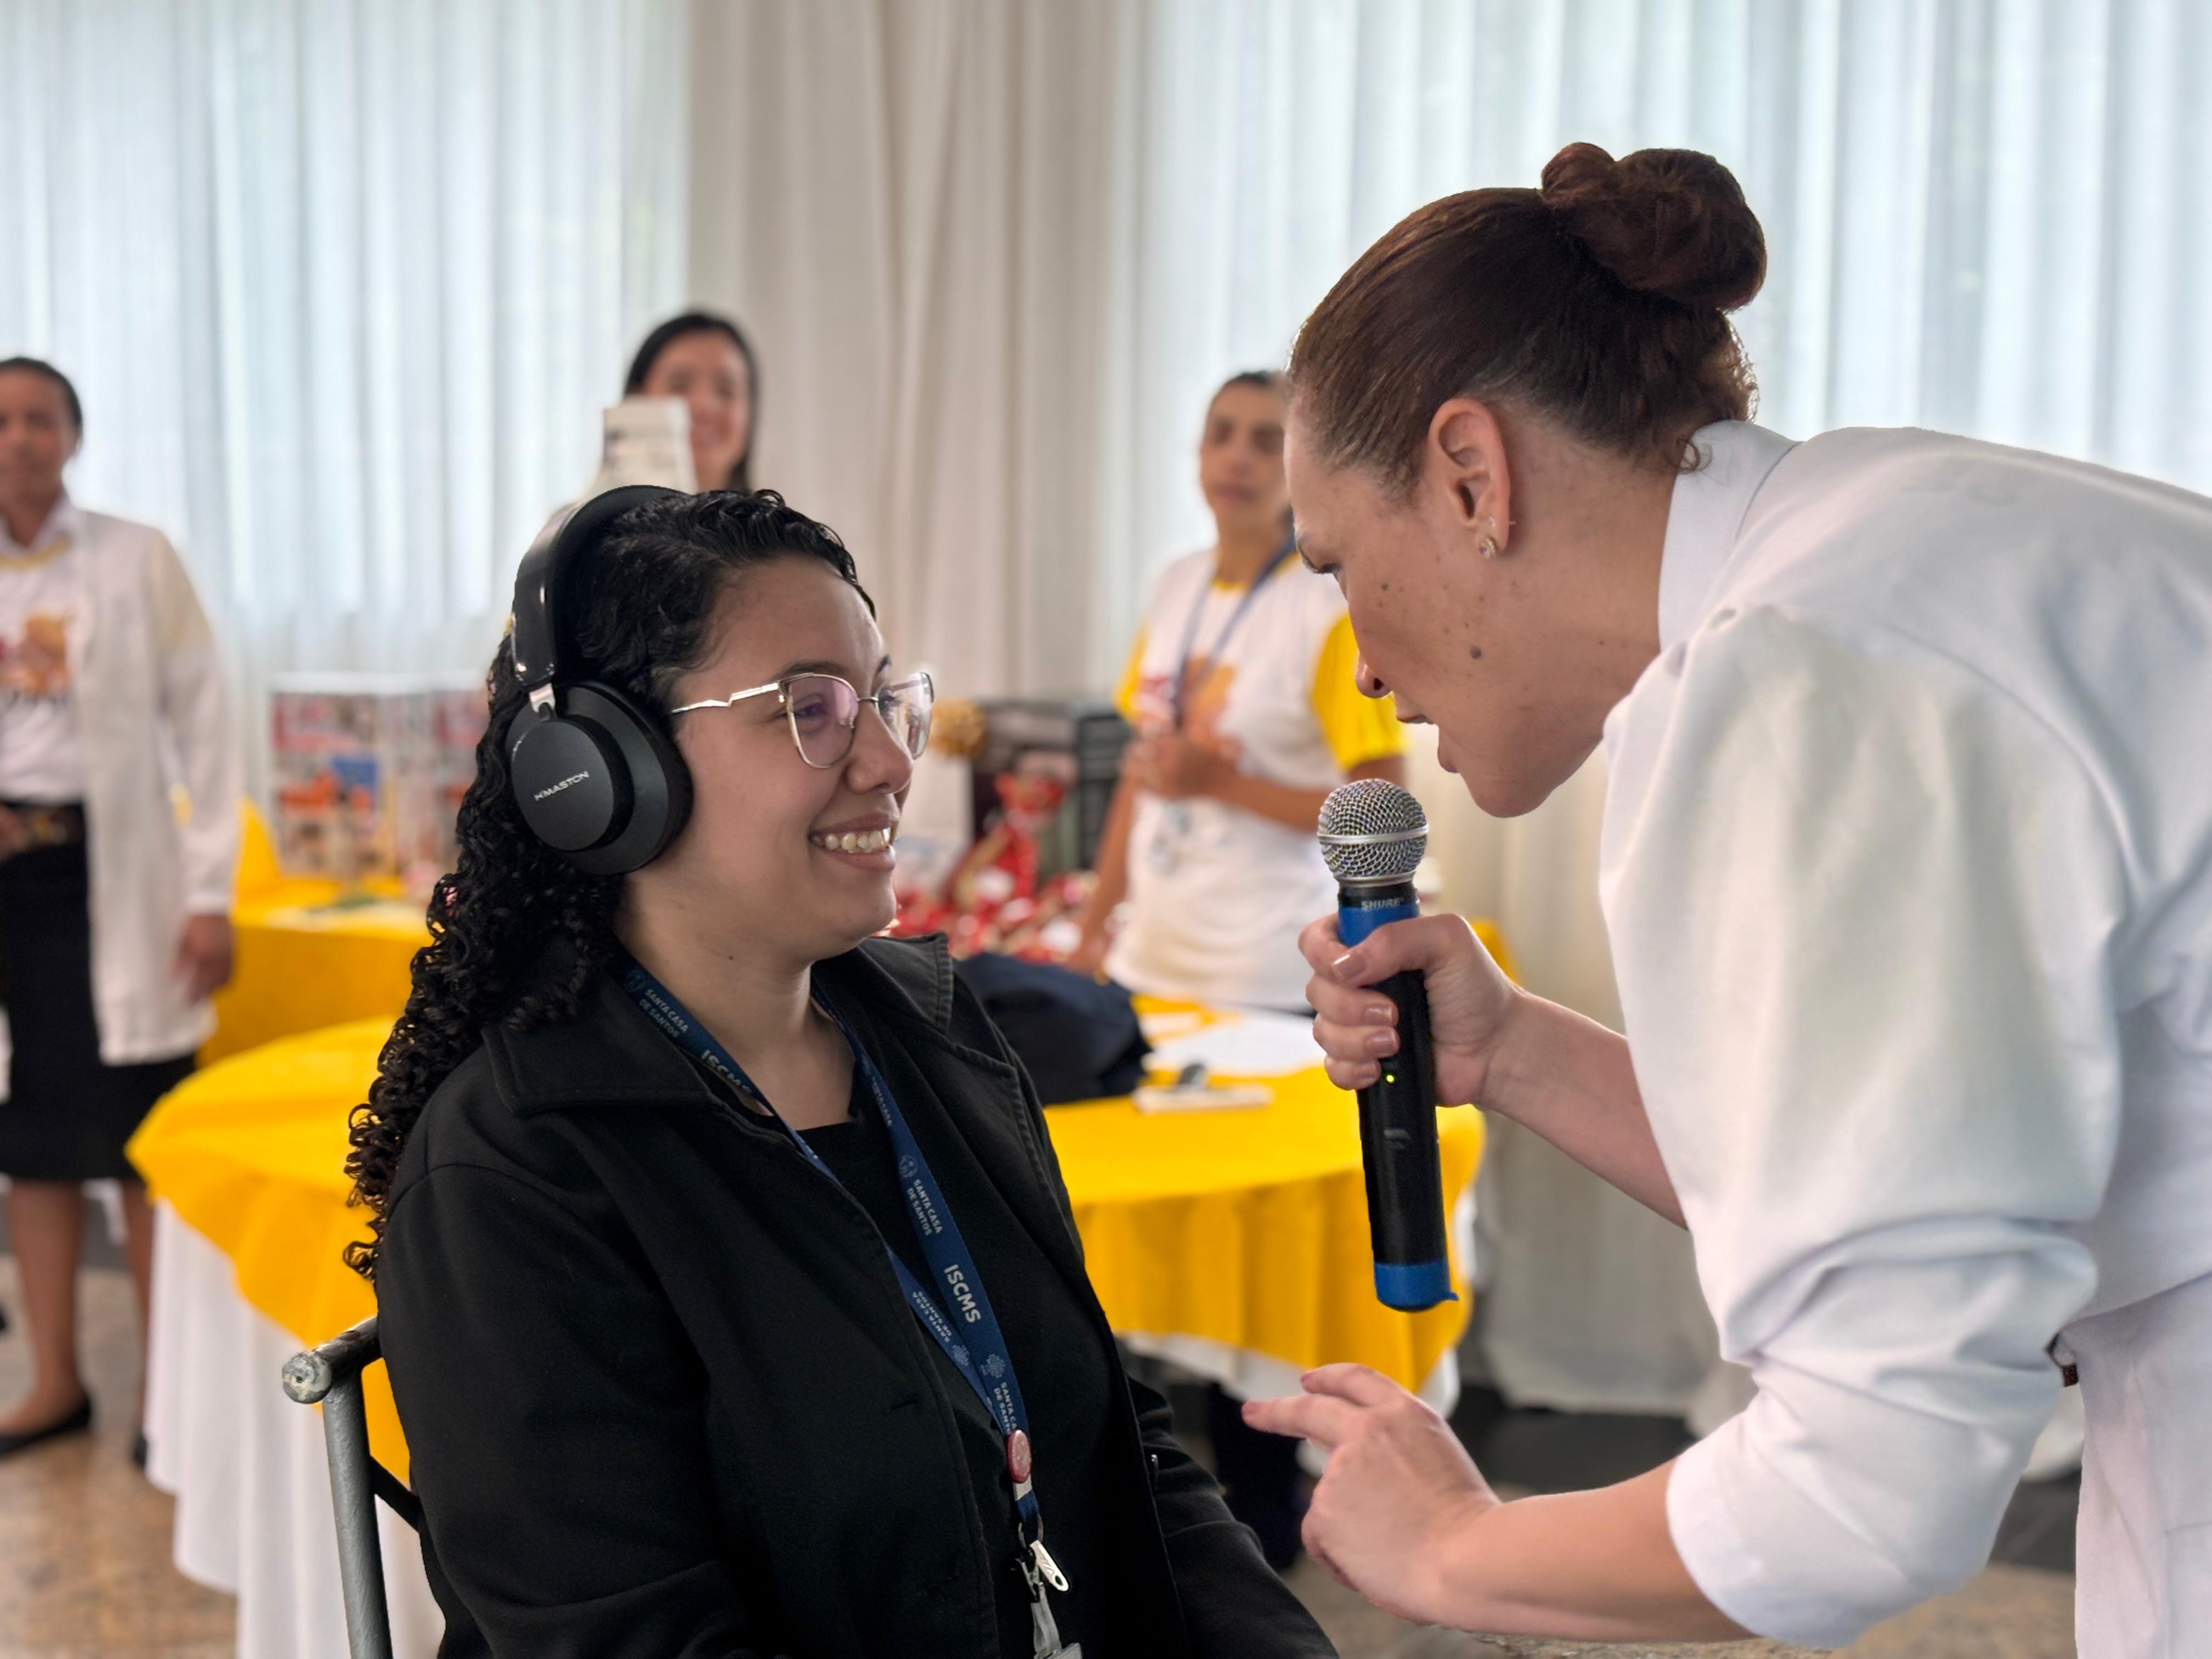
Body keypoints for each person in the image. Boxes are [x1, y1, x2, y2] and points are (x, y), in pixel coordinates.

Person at [1239, 141, 2212, 1657]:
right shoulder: (1888, 530)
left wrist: (1451, 1548)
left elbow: (1867, 1491)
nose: (1359, 662)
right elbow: (1929, 1171)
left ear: (1472, 475)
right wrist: (1515, 1051)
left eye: (1339, 564)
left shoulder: (1798, 671)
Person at [351, 489, 1335, 1658]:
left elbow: (1121, 1451)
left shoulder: (934, 1035)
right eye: (807, 709)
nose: (890, 759)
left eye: (881, 699)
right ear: (602, 774)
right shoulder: (516, 1173)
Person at [0, 358, 240, 1461]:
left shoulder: (136, 557)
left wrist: (209, 892)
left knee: (142, 1143)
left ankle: (163, 1402)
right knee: (31, 1144)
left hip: (116, 882)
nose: (18, 437)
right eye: (1, 419)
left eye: (39, 417)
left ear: (74, 435)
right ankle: (55, 1381)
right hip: (12, 889)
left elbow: (206, 723)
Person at [1069, 370, 1407, 1009]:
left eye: (1265, 441)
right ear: (1197, 452)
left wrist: (1219, 782)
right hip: (1149, 957)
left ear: (1302, 465)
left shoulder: (1328, 610)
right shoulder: (1174, 585)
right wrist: (1091, 932)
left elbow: (1380, 816)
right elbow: (1141, 776)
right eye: (1220, 435)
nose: (1237, 458)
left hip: (1269, 973)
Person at [624, 310, 760, 493]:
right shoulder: (589, 510)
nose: (704, 406)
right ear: (636, 399)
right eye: (679, 386)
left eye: (726, 391)